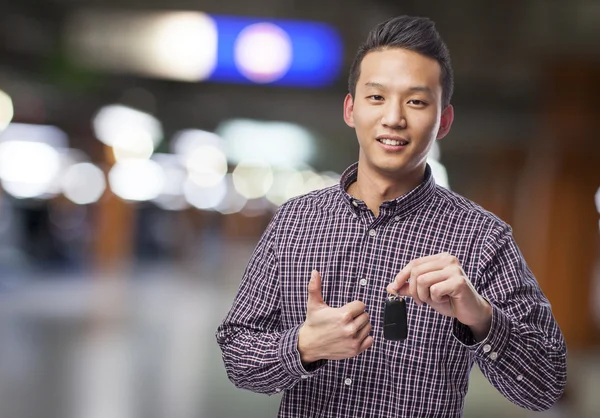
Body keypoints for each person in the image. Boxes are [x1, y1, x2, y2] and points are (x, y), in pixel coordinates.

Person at [216, 15, 567, 417]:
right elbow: (237, 354)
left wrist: (482, 318)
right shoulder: (295, 221)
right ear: (351, 109)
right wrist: (303, 346)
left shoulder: (483, 239)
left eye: (416, 101)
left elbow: (547, 386)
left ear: (444, 121)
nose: (394, 118)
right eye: (377, 97)